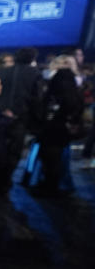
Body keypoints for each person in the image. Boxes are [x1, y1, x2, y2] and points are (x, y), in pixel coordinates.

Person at [0, 47, 44, 196]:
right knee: (13, 153)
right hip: (20, 119)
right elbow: (37, 99)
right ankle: (4, 183)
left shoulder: (2, 72)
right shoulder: (35, 73)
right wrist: (37, 122)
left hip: (0, 117)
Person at [32, 68, 83, 196]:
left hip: (50, 131)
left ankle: (50, 187)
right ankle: (55, 185)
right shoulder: (75, 95)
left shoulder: (53, 95)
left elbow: (43, 113)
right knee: (58, 161)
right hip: (63, 133)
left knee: (50, 161)